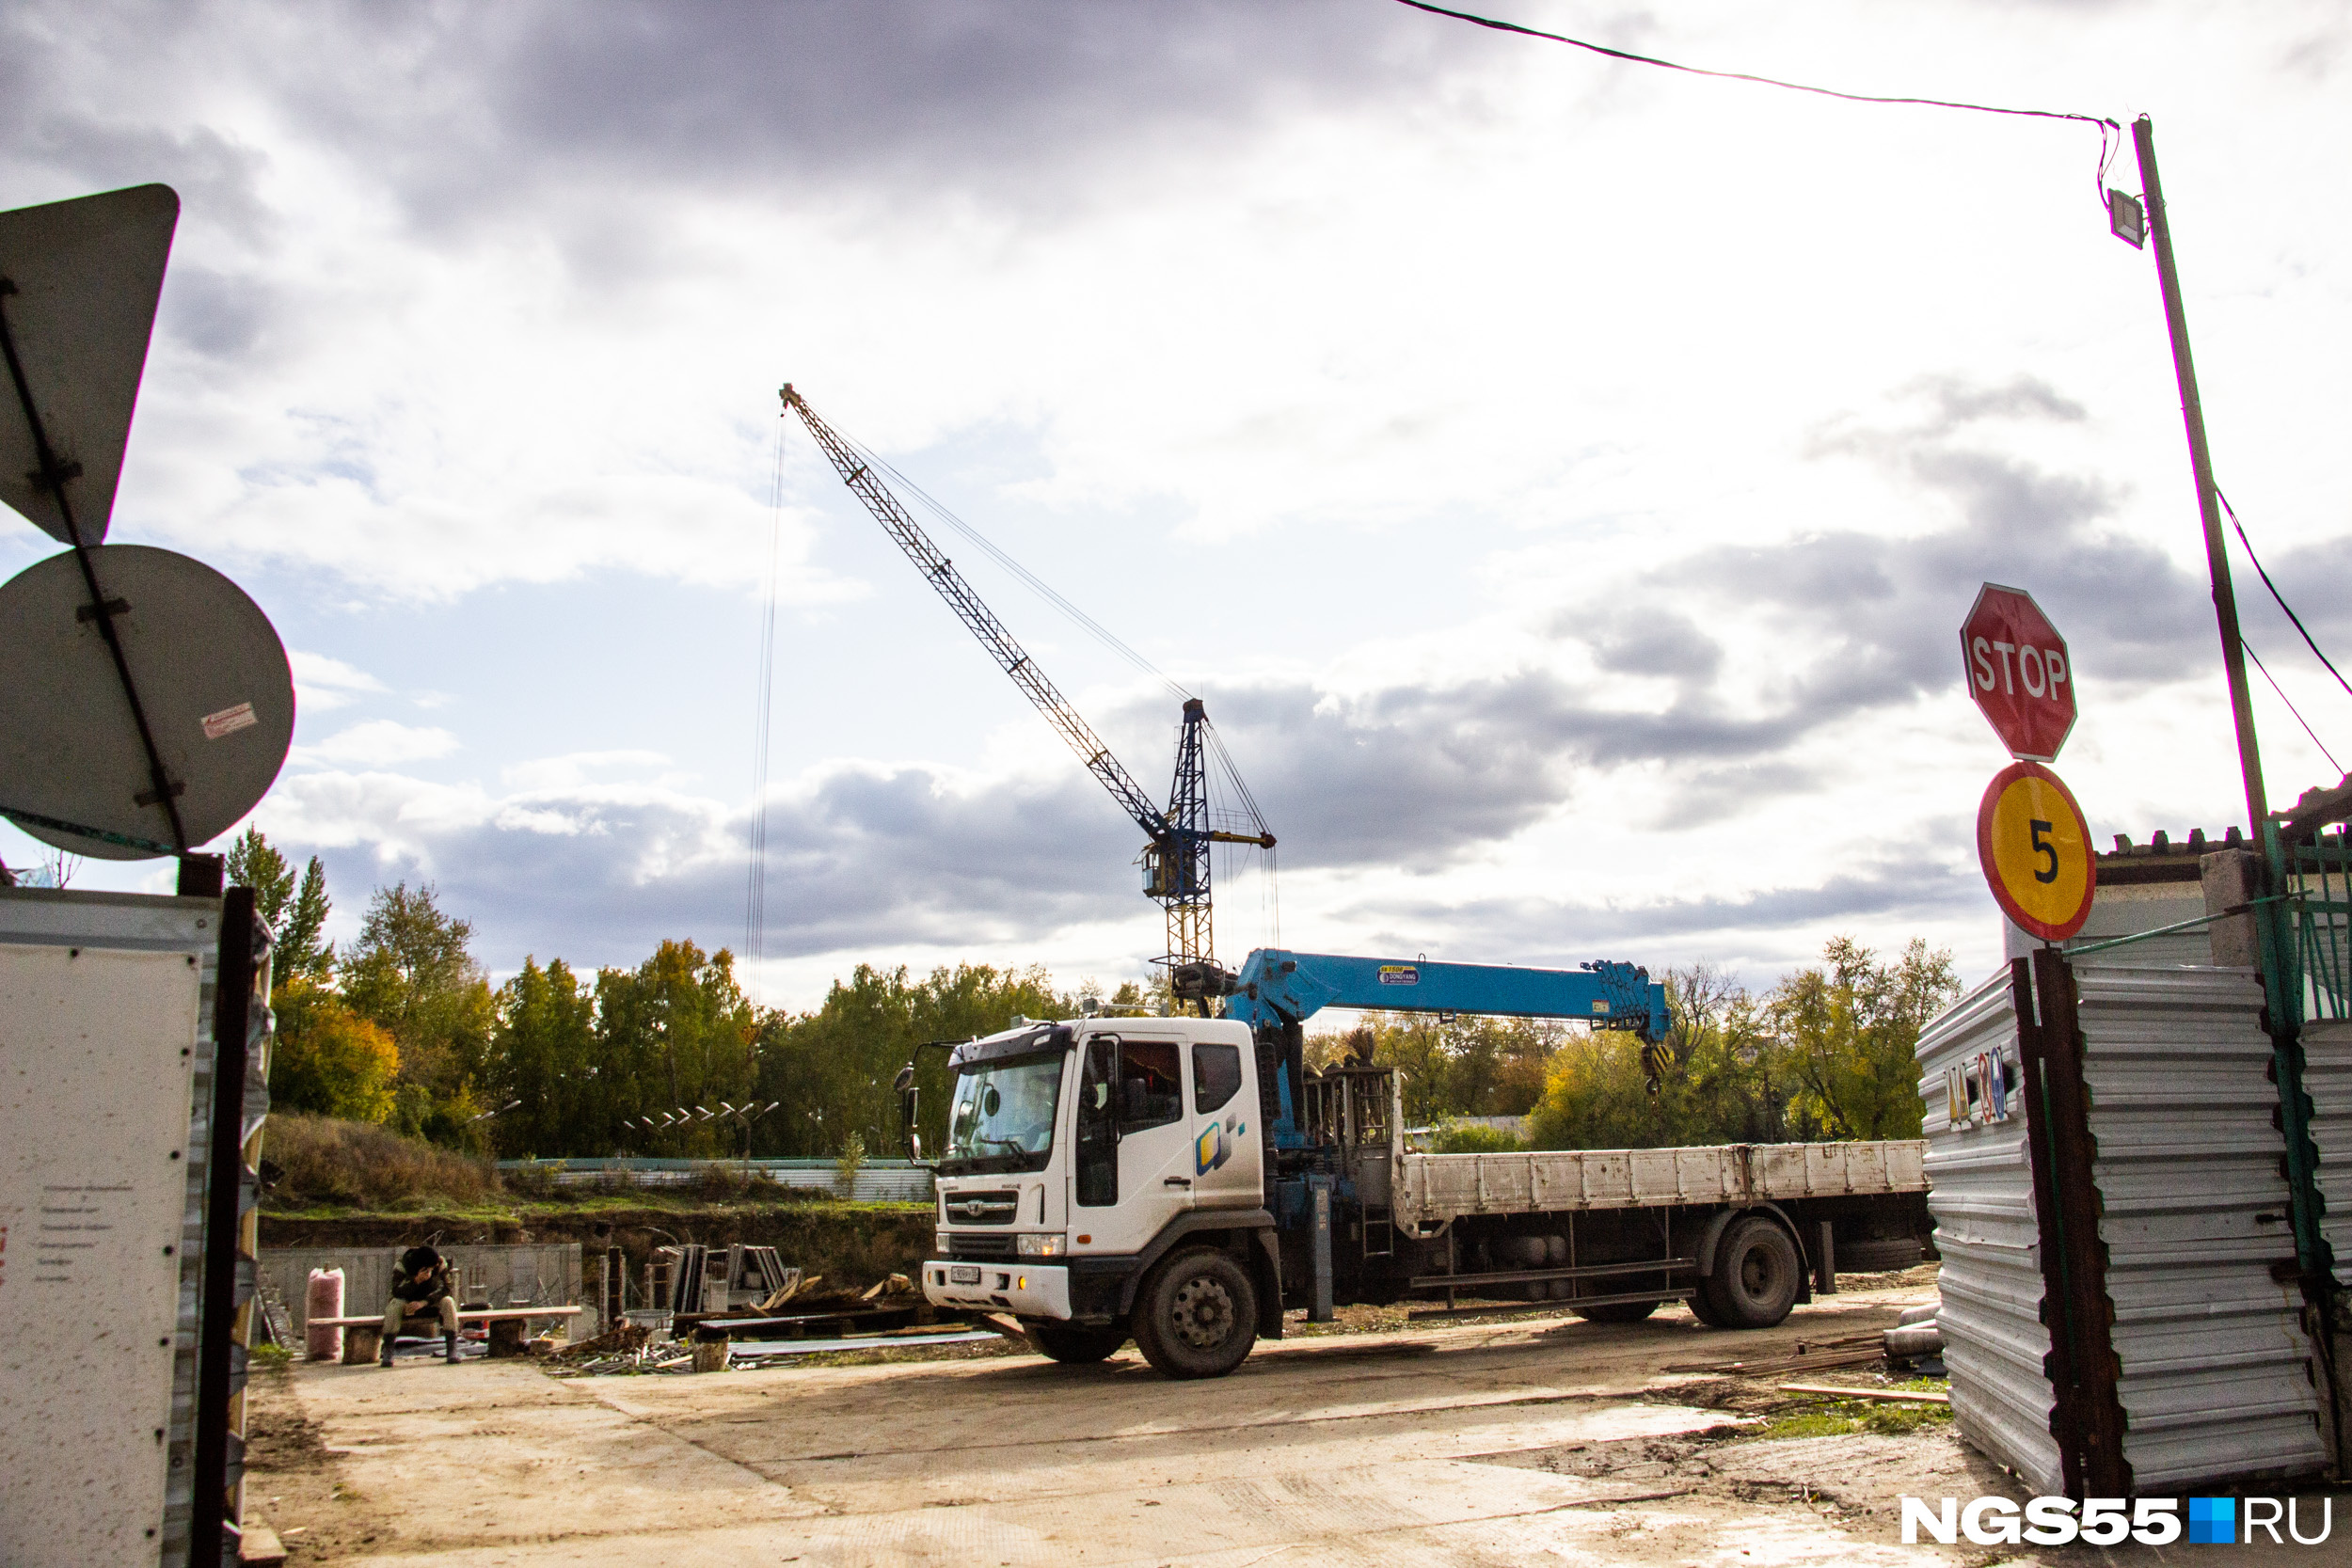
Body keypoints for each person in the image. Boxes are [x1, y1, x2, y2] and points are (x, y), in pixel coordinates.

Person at [380, 1244, 462, 1366]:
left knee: (448, 1302)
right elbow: (396, 1291)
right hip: (408, 1302)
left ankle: (452, 1349)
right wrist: (416, 1281)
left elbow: (447, 1287)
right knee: (394, 1305)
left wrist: (425, 1302)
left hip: (430, 1302)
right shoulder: (402, 1266)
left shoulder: (439, 1263)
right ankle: (388, 1351)